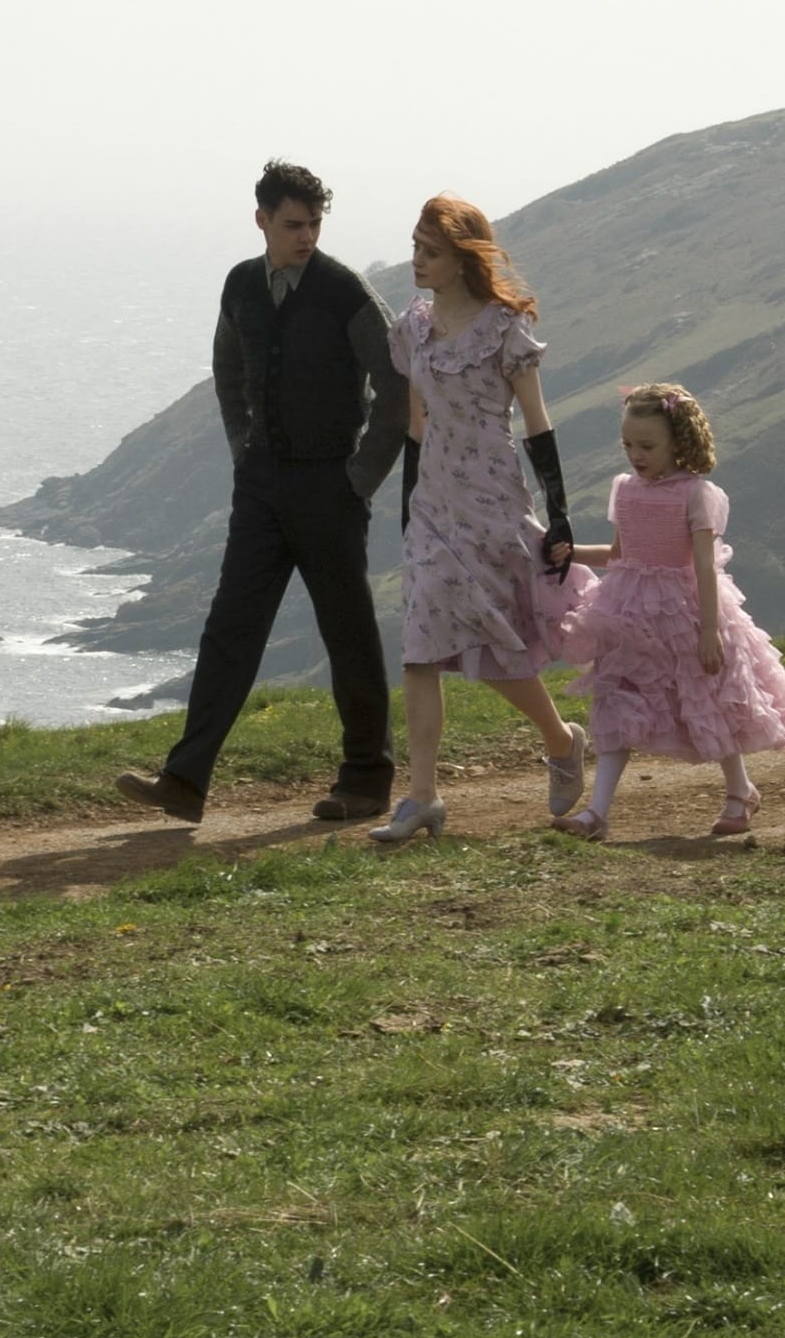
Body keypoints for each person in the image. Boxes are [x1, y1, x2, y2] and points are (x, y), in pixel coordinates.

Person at [115, 161, 414, 826]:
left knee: (348, 632)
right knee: (230, 627)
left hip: (330, 487)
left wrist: (359, 479)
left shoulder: (347, 293)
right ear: (262, 221)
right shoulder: (242, 285)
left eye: (313, 224)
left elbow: (399, 389)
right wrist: (241, 445)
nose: (305, 235)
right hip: (261, 487)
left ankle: (367, 780)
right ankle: (185, 781)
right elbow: (227, 369)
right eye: (292, 224)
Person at [370, 196, 588, 843]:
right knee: (419, 647)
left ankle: (562, 740)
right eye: (414, 246)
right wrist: (411, 510)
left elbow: (538, 425)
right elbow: (415, 425)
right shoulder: (412, 328)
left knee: (496, 648)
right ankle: (421, 797)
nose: (416, 260)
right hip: (434, 502)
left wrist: (560, 516)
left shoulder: (505, 328)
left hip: (493, 498)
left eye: (429, 251)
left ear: (463, 257)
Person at [550, 386, 785, 838]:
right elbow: (619, 553)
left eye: (648, 446)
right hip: (628, 611)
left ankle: (740, 791)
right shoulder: (624, 489)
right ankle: (597, 812)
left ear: (679, 441)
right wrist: (572, 554)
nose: (636, 454)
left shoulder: (696, 494)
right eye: (628, 445)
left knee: (707, 700)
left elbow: (706, 566)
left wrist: (708, 630)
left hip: (684, 613)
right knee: (617, 699)